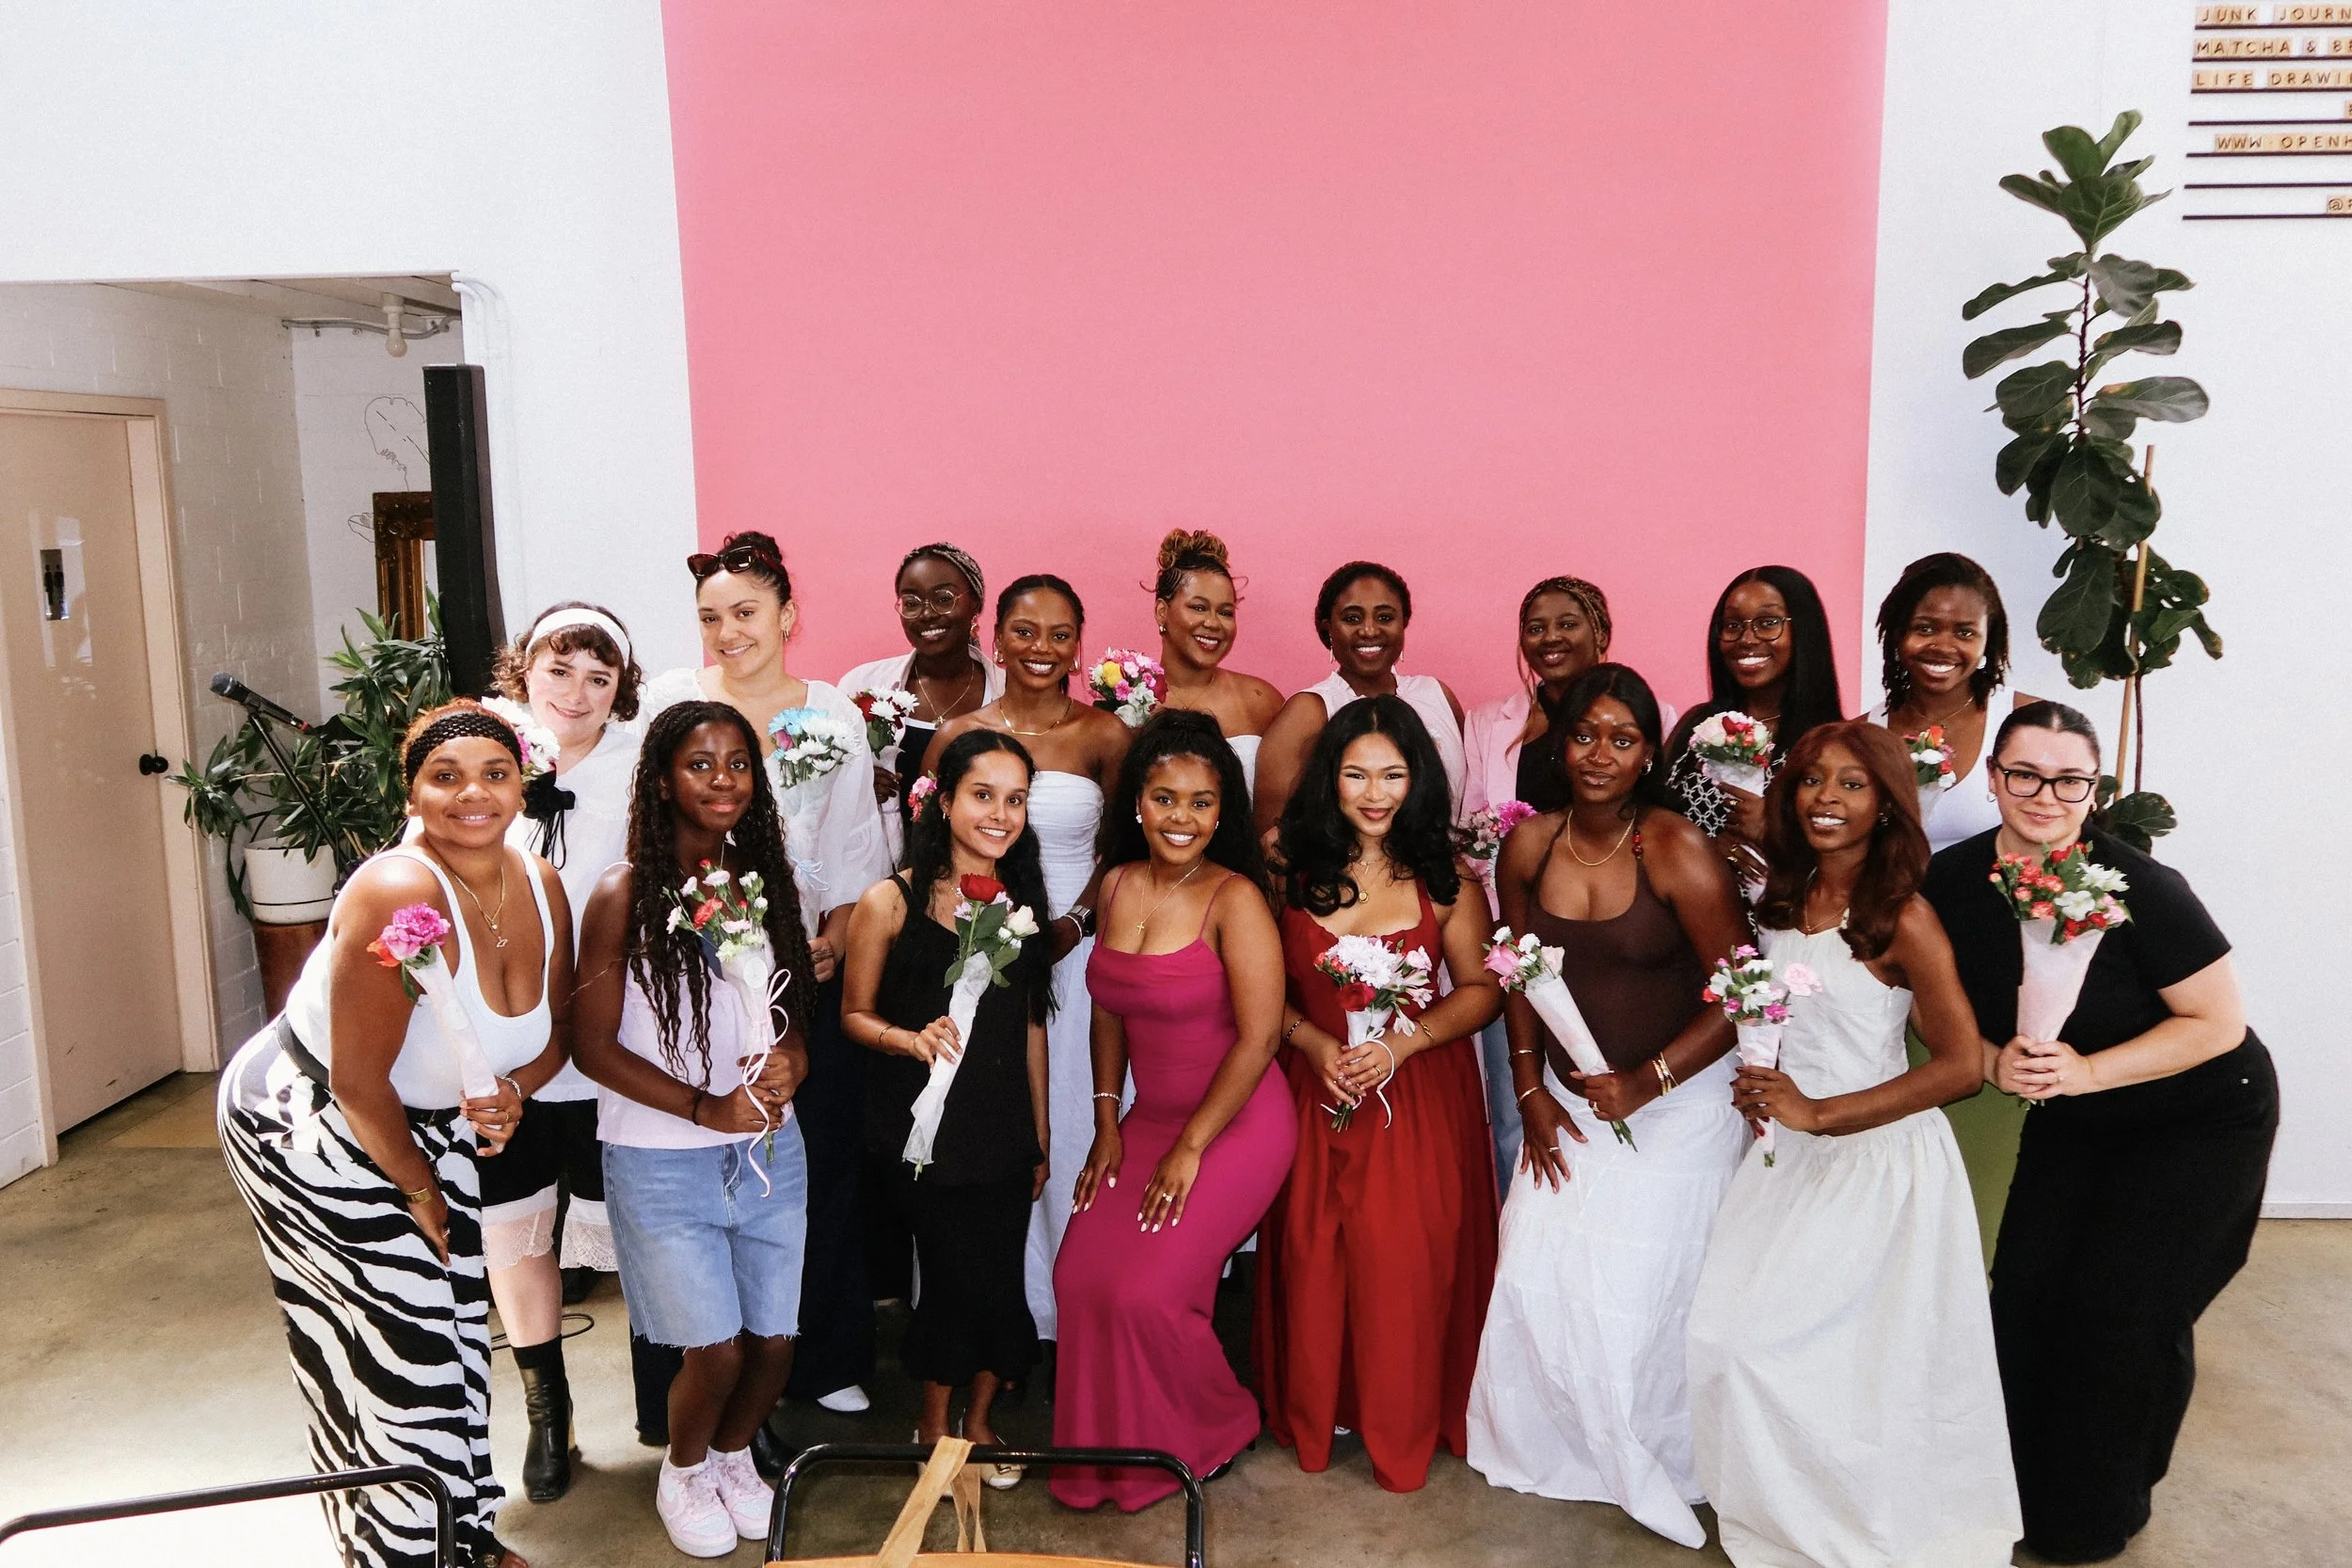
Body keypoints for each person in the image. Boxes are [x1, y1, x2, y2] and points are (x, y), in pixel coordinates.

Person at [1923, 701, 2277, 1565]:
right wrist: (1995, 1056)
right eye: (2024, 774)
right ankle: (2009, 1492)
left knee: (2123, 1311)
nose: (2046, 794)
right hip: (2077, 1122)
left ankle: (2092, 1515)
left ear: (2094, 787)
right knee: (2023, 1299)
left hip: (2198, 1115)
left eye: (2069, 778)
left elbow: (2217, 1023)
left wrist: (2084, 1070)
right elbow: (1939, 1004)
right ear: (1996, 775)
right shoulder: (1949, 881)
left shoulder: (2138, 884)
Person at [219, 700, 564, 1568]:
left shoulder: (540, 878)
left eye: (494, 773)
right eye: (443, 777)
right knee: (392, 1359)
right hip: (316, 1126)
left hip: (428, 1122)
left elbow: (552, 1038)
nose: (471, 795)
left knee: (453, 1340)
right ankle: (399, 1553)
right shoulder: (396, 888)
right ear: (409, 790)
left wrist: (512, 1092)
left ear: (524, 782)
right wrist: (420, 1191)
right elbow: (356, 1080)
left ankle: (462, 1534)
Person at [1687, 721, 2020, 1567]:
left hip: (1874, 1164)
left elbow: (1957, 1068)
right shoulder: (1781, 905)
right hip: (1783, 1160)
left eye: (1852, 784)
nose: (1826, 799)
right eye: (1810, 781)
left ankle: (1856, 1525)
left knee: (1841, 1367)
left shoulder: (1900, 917)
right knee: (1726, 1339)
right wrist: (1766, 1081)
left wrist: (1823, 1111)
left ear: (1887, 805)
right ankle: (1788, 1516)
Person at [1464, 664, 1750, 1548]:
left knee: (1640, 1289)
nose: (1598, 754)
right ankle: (1567, 1448)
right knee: (1540, 1270)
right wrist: (1526, 1091)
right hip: (1564, 1102)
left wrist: (1649, 1081)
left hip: (1678, 1107)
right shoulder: (1529, 846)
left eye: (1623, 739)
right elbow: (1514, 974)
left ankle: (1650, 1451)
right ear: (1560, 740)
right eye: (1586, 733)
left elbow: (1744, 991)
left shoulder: (1674, 849)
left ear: (1648, 755)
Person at [644, 531, 891, 1418]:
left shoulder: (830, 712)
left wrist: (832, 935)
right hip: (691, 962)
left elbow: (856, 848)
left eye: (745, 612)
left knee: (812, 1164)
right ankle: (702, 1372)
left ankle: (819, 1355)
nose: (728, 632)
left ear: (788, 614)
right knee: (702, 1167)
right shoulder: (675, 700)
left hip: (798, 970)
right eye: (711, 617)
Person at [571, 702, 816, 1558]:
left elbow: (786, 1012)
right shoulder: (624, 890)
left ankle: (732, 1454)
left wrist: (792, 1059)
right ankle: (683, 1467)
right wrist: (702, 1105)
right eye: (701, 764)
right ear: (661, 779)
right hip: (662, 1155)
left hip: (767, 1153)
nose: (723, 780)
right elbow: (589, 1042)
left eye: (739, 763)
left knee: (776, 1342)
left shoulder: (759, 876)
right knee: (712, 1352)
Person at [1255, 695, 1502, 1494]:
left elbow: (1481, 991)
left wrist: (1403, 1043)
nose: (1373, 792)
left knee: (1404, 1260)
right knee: (1312, 1253)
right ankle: (1322, 1406)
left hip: (1419, 1094)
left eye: (1392, 774)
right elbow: (1259, 991)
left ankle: (1404, 1414)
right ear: (1328, 778)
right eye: (1355, 773)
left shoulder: (1447, 877)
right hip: (1314, 1083)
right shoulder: (1290, 870)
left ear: (1418, 779)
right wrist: (1317, 1041)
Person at [1051, 711, 1295, 1511]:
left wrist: (1190, 1146)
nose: (1181, 818)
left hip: (1237, 1122)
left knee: (1151, 1293)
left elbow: (1259, 1039)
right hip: (1148, 1117)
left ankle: (1215, 1424)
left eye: (1199, 801)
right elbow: (1107, 1010)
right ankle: (1107, 1457)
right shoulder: (1117, 886)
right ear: (1138, 804)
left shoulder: (1236, 900)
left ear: (1222, 811)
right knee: (1080, 1276)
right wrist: (1107, 1120)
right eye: (1164, 798)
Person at [842, 729, 1057, 1481]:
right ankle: (933, 1425)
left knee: (1000, 1273)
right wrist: (908, 1039)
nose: (1000, 813)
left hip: (1002, 1125)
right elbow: (854, 1015)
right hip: (925, 1130)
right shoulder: (889, 900)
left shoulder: (1021, 906)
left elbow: (1031, 1026)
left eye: (1016, 798)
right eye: (983, 794)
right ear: (945, 799)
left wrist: (1042, 1130)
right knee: (952, 1271)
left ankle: (982, 1420)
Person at [925, 573, 1128, 1343]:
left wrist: (1074, 923)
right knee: (992, 1119)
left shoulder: (1105, 735)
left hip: (1077, 952)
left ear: (1079, 643)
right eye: (1024, 630)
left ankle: (1082, 1302)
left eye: (1059, 634)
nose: (1042, 648)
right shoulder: (960, 735)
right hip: (977, 951)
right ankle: (1002, 1314)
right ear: (997, 635)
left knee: (1075, 1114)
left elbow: (1126, 849)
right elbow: (932, 851)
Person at [479, 599, 643, 1501]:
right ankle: (550, 1417)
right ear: (523, 672)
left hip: (611, 1047)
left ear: (619, 690)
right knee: (518, 1232)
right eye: (558, 669)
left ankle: (687, 1407)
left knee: (646, 1229)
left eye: (598, 675)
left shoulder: (637, 770)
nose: (574, 691)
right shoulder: (477, 758)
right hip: (505, 1051)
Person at [1869, 551, 2022, 1254]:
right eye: (1925, 626)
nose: (1943, 646)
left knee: (1986, 1185)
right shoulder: (1865, 734)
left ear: (1990, 641)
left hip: (1998, 983)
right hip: (1891, 988)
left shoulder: (2019, 725)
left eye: (1965, 631)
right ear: (1896, 631)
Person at [1457, 575, 1622, 1184]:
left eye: (1567, 622)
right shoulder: (1488, 725)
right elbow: (1471, 828)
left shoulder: (1645, 715)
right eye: (1536, 626)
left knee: (1607, 1095)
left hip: (1609, 942)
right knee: (1515, 1109)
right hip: (1518, 941)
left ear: (1601, 633)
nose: (1550, 637)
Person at [1253, 562, 1467, 835]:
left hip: (1445, 872)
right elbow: (1270, 837)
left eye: (1385, 617)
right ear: (1328, 628)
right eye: (1352, 618)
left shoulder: (1437, 695)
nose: (1369, 630)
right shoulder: (1310, 710)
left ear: (1404, 623)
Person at [1661, 565, 1843, 884]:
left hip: (1786, 923)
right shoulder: (1698, 724)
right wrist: (1706, 851)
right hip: (1690, 918)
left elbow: (1852, 860)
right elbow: (1647, 823)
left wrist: (1776, 832)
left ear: (1803, 630)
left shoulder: (1833, 741)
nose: (1746, 639)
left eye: (1767, 623)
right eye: (1732, 625)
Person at [838, 542, 1003, 862]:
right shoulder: (861, 686)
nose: (927, 614)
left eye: (943, 599)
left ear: (975, 605)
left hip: (980, 879)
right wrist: (856, 785)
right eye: (911, 603)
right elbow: (821, 789)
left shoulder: (1007, 693)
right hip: (879, 873)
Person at [1149, 530, 1285, 797]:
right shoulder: (1128, 699)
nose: (1213, 623)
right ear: (1162, 612)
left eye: (1225, 612)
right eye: (1198, 608)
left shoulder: (1260, 700)